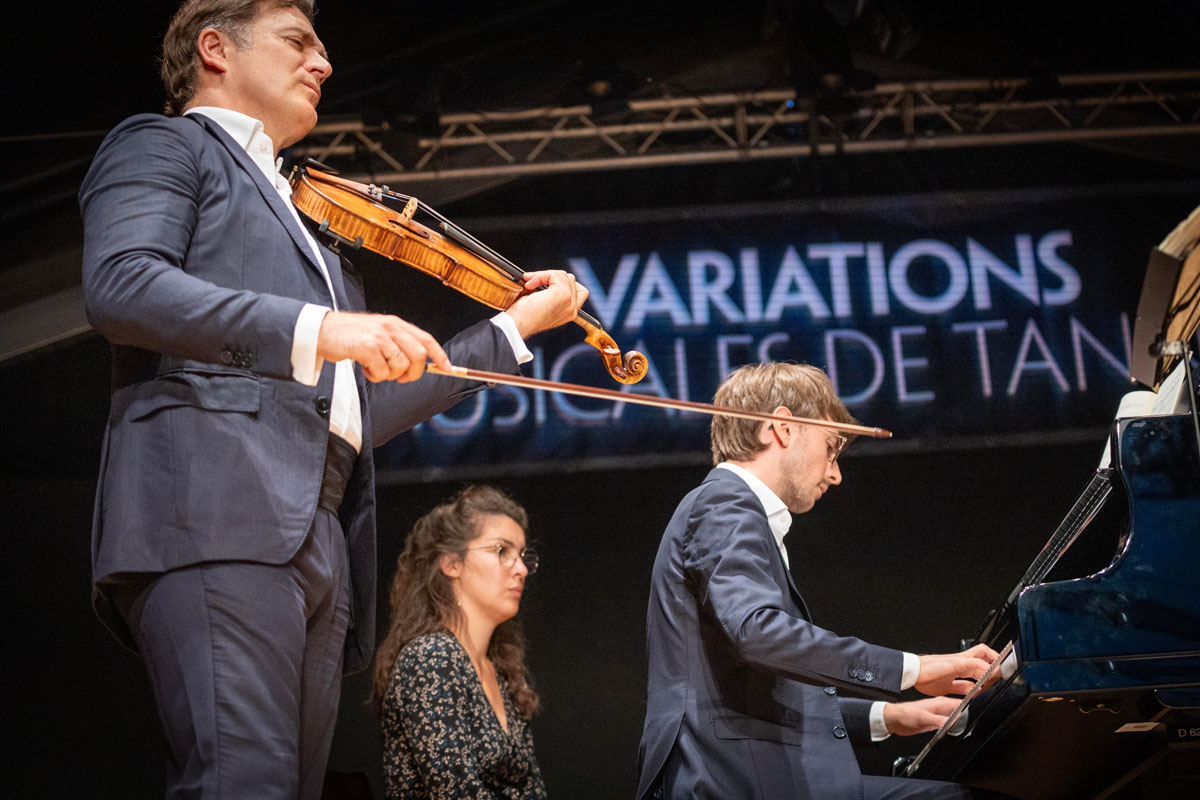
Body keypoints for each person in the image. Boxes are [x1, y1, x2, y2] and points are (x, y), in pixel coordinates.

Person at [78, 1, 584, 797]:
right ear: (215, 48)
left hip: (318, 533)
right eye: (297, 41)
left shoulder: (310, 222)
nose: (324, 62)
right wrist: (320, 328)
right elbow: (122, 286)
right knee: (242, 783)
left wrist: (513, 329)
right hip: (218, 509)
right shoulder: (164, 143)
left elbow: (354, 413)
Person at [636, 362, 1012, 800]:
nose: (835, 473)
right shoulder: (725, 503)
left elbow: (762, 689)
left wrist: (887, 717)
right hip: (730, 781)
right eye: (831, 448)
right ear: (781, 427)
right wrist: (914, 669)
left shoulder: (730, 508)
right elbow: (759, 634)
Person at [374, 486, 546, 799]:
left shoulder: (501, 672)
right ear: (452, 563)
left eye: (522, 556)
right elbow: (455, 793)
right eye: (501, 551)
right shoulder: (430, 658)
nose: (521, 569)